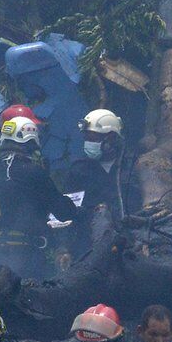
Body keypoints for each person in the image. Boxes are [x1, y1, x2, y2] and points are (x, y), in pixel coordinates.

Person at [0, 116, 79, 279]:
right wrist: (75, 209)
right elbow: (63, 212)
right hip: (27, 255)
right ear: (31, 141)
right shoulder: (34, 172)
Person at [64, 109, 124, 256]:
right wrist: (63, 248)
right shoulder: (78, 170)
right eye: (87, 139)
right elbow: (66, 211)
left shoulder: (130, 167)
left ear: (111, 138)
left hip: (126, 242)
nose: (89, 143)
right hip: (86, 246)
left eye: (94, 139)